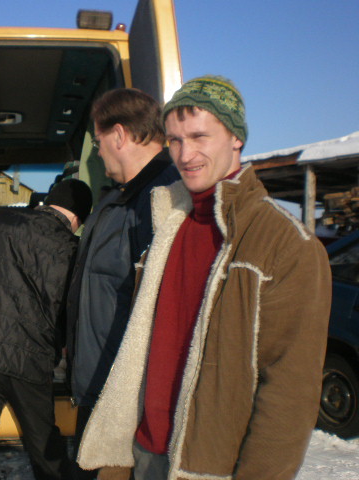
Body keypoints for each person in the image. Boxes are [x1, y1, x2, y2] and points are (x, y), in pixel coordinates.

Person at [76, 75, 332, 479]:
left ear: (236, 137)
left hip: (209, 466)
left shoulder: (286, 243)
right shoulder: (168, 222)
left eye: (199, 137)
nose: (185, 153)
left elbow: (290, 390)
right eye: (175, 140)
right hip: (144, 450)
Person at [65, 88, 179, 478]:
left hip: (127, 399)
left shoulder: (164, 197)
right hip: (99, 384)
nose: (97, 153)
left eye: (98, 142)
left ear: (118, 135)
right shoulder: (119, 198)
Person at [0, 178, 93, 480]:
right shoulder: (73, 249)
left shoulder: (0, 219)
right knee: (45, 449)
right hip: (31, 360)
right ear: (78, 218)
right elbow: (69, 312)